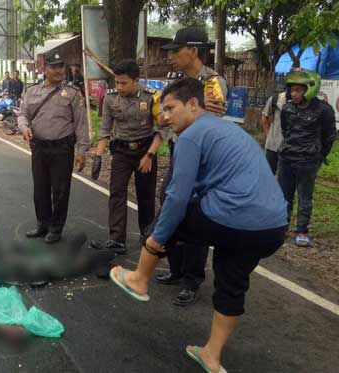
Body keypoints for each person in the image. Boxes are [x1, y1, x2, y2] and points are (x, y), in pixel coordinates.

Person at [109, 78, 287, 373]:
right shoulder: (231, 129)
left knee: (169, 217)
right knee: (231, 282)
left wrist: (157, 239)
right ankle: (211, 357)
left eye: (170, 108)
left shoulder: (192, 135)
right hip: (272, 228)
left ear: (193, 105)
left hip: (233, 215)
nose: (164, 116)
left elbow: (178, 196)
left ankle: (139, 280)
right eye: (161, 110)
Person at [153, 26, 229, 307]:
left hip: (203, 155)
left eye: (176, 51)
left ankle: (192, 279)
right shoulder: (175, 82)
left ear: (193, 51)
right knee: (169, 200)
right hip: (177, 149)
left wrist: (175, 113)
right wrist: (171, 114)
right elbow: (159, 117)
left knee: (195, 211)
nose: (171, 57)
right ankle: (175, 268)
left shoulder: (213, 82)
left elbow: (214, 116)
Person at [89, 60, 163, 254]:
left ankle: (147, 234)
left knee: (145, 195)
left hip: (145, 150)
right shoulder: (110, 99)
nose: (119, 87)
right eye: (117, 82)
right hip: (121, 150)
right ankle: (116, 239)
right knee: (116, 192)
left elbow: (161, 130)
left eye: (123, 83)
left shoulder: (150, 98)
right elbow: (105, 130)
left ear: (135, 81)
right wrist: (98, 156)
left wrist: (149, 155)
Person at [17, 49, 90, 244]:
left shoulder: (73, 94)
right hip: (39, 148)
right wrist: (24, 128)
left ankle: (56, 228)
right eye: (53, 67)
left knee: (60, 190)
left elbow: (81, 124)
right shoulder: (32, 91)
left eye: (61, 67)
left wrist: (82, 151)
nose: (58, 70)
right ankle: (43, 224)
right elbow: (22, 114)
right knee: (40, 189)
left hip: (62, 149)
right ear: (44, 68)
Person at [278, 69, 336, 247]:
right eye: (292, 90)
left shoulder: (324, 110)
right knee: (283, 196)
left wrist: (318, 156)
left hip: (308, 161)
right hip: (287, 158)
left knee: (305, 197)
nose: (293, 94)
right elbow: (285, 129)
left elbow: (329, 136)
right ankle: (281, 227)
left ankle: (302, 230)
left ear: (308, 89)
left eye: (298, 90)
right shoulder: (287, 108)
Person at [261, 91, 287, 174]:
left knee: (284, 178)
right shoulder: (276, 98)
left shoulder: (304, 102)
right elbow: (264, 117)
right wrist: (268, 135)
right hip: (273, 145)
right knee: (269, 174)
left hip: (290, 148)